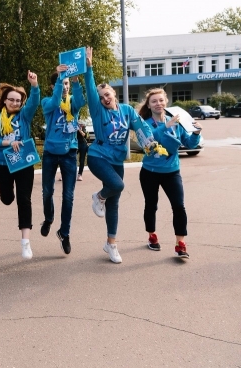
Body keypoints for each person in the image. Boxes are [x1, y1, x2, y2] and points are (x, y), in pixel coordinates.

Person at [84, 47, 160, 264]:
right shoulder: (98, 110)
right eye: (101, 97)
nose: (105, 98)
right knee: (117, 186)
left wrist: (150, 142)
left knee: (114, 203)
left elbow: (141, 126)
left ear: (114, 93)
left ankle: (111, 244)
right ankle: (99, 197)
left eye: (107, 94)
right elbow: (90, 89)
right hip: (98, 156)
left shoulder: (126, 110)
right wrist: (89, 68)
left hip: (117, 160)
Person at [137, 88, 202, 258]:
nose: (158, 104)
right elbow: (147, 142)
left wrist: (196, 133)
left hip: (172, 172)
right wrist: (165, 127)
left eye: (161, 100)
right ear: (149, 105)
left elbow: (189, 144)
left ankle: (180, 244)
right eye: (154, 101)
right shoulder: (145, 124)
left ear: (166, 102)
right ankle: (152, 235)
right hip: (150, 172)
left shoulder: (176, 122)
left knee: (179, 206)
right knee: (151, 205)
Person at [0, 72, 40, 259]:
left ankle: (25, 242)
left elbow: (34, 102)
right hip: (3, 163)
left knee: (24, 199)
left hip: (24, 162)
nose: (15, 103)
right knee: (7, 198)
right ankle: (9, 193)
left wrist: (34, 85)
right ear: (5, 100)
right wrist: (9, 143)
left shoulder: (24, 115)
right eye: (12, 100)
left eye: (18, 101)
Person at [40, 66, 86, 255]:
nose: (65, 87)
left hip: (69, 153)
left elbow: (81, 101)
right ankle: (49, 218)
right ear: (53, 86)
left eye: (67, 83)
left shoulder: (72, 102)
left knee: (68, 196)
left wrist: (75, 81)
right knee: (47, 192)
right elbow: (52, 103)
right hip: (50, 153)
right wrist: (60, 78)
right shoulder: (47, 102)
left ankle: (64, 233)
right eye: (62, 83)